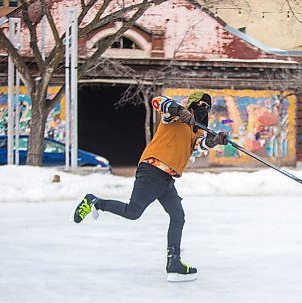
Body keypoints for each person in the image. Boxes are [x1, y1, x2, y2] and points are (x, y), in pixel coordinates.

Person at [71, 91, 228, 282]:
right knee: (133, 212)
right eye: (200, 105)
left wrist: (215, 140)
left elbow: (198, 146)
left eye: (207, 107)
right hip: (152, 169)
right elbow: (158, 101)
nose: (203, 110)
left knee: (178, 217)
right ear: (192, 104)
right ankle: (94, 201)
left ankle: (174, 263)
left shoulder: (196, 130)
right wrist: (178, 110)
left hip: (167, 179)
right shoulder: (174, 117)